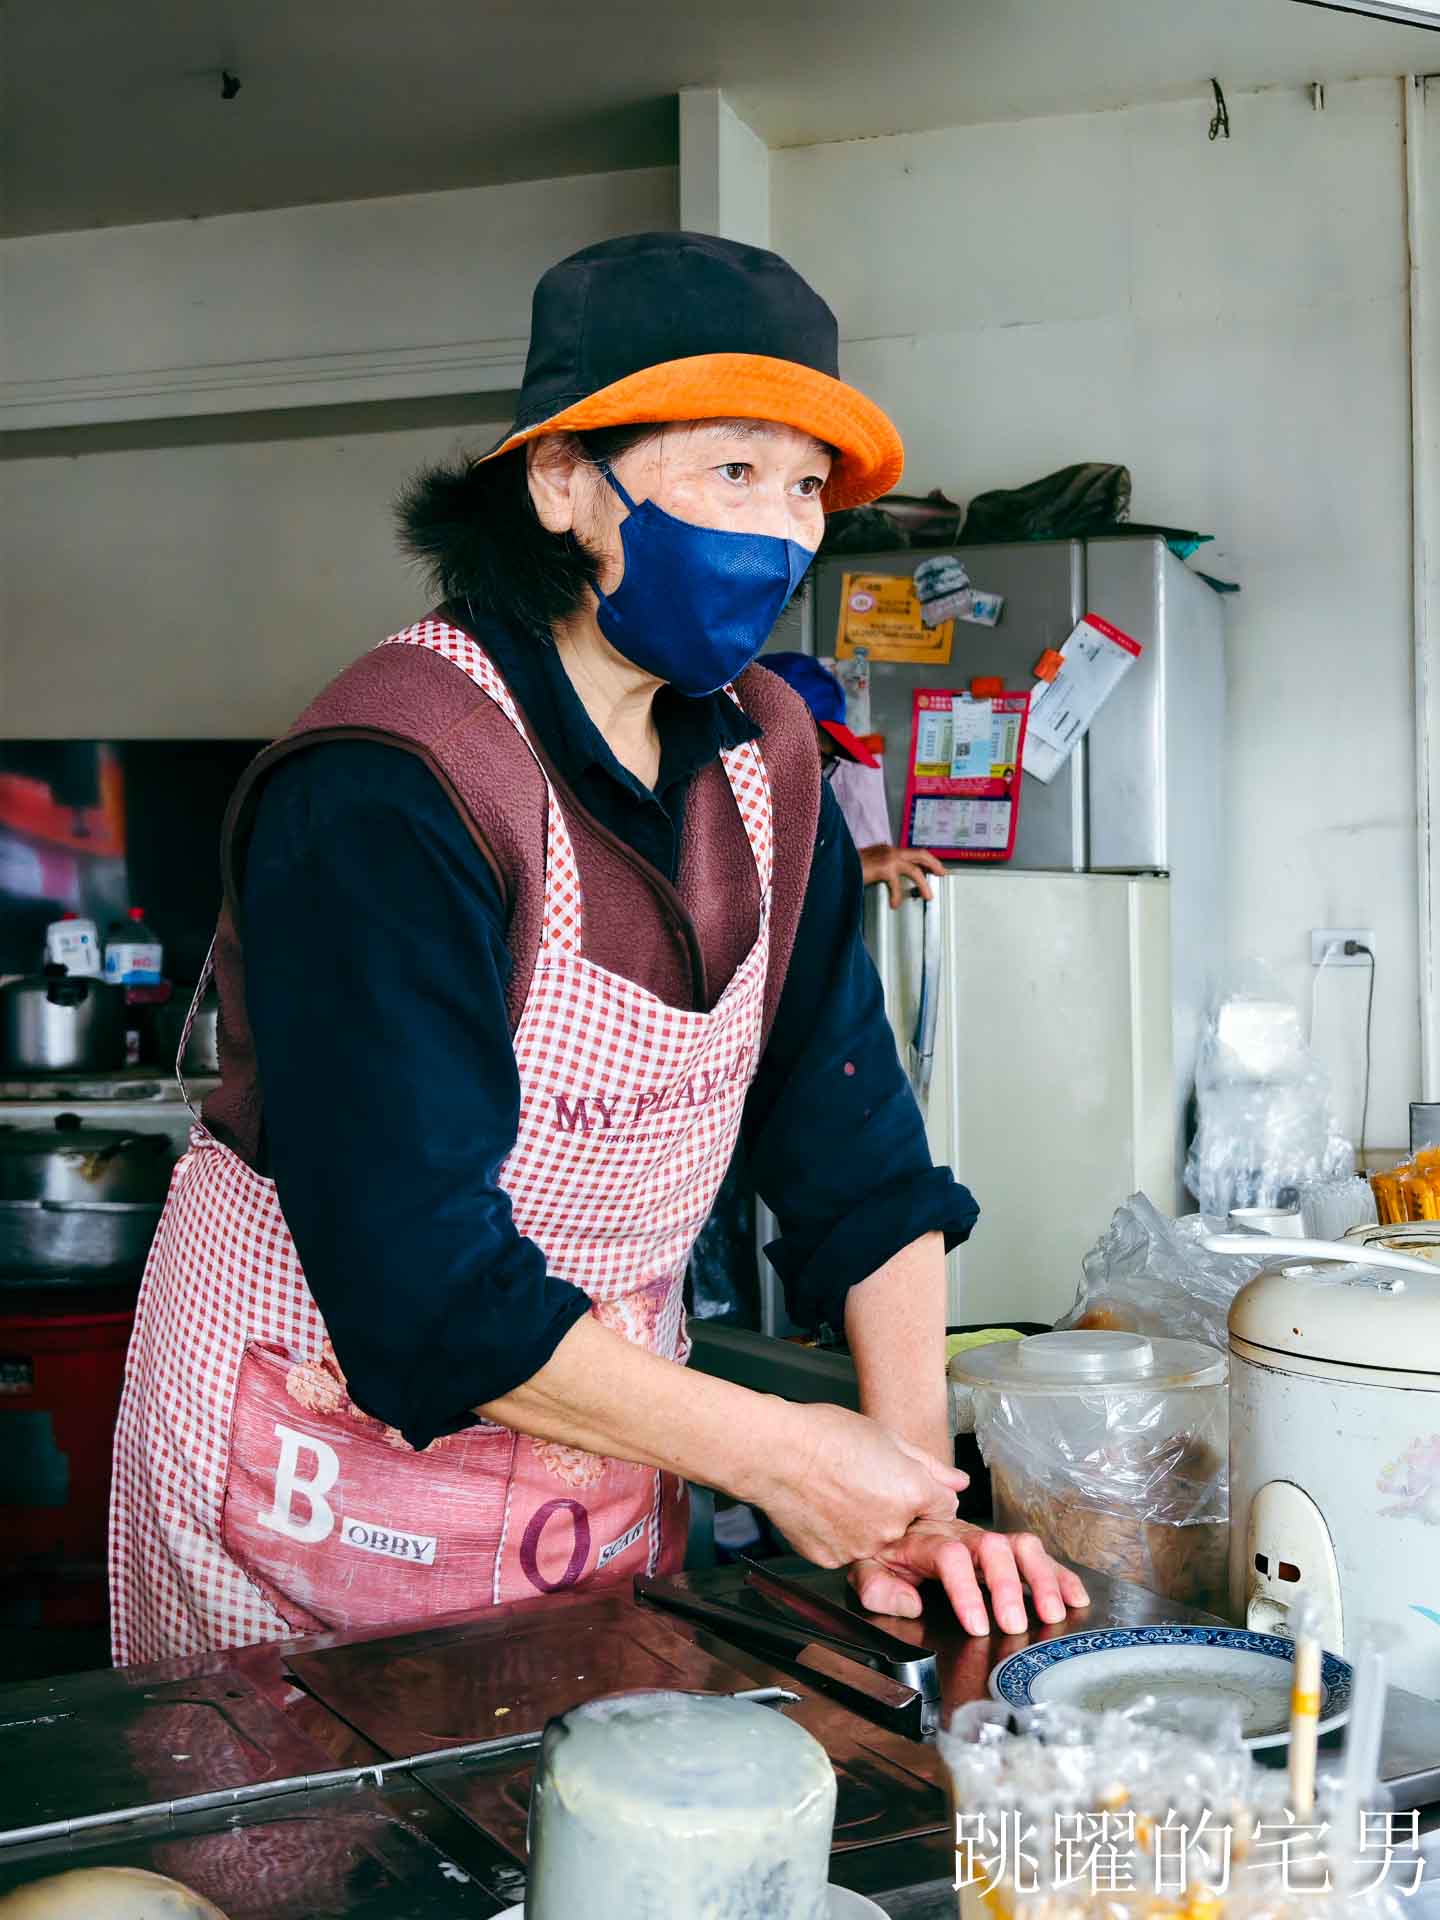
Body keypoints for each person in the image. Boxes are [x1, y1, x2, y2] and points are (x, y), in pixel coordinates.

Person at [109, 231, 1087, 1665]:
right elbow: (421, 1289)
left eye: (808, 486)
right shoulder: (391, 781)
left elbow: (858, 1165)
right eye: (734, 470)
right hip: (301, 1481)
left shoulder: (775, 761)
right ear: (563, 478)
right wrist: (780, 1458)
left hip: (588, 1487)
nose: (782, 529)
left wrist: (910, 1497)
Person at [764, 650, 946, 909]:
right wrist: (850, 869)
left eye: (823, 763)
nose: (811, 778)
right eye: (810, 755)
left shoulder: (790, 821)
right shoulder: (700, 796)